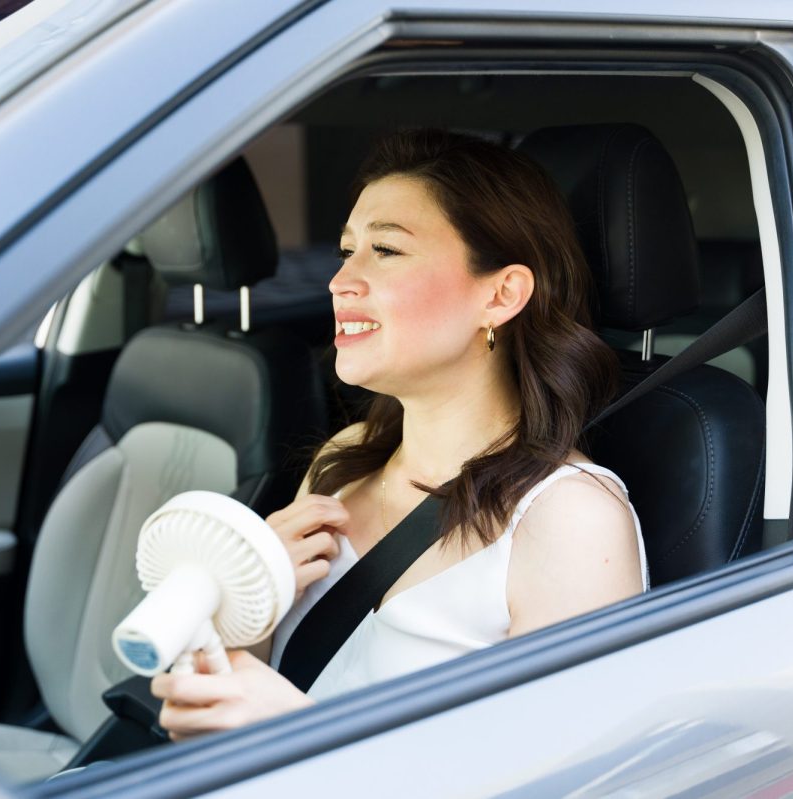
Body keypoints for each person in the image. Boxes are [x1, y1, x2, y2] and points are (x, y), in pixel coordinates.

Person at [150, 129, 648, 740]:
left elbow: (564, 778)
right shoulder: (344, 462)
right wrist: (246, 597)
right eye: (345, 251)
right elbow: (251, 702)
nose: (339, 281)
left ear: (502, 294)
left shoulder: (571, 518)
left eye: (384, 250)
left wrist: (303, 736)